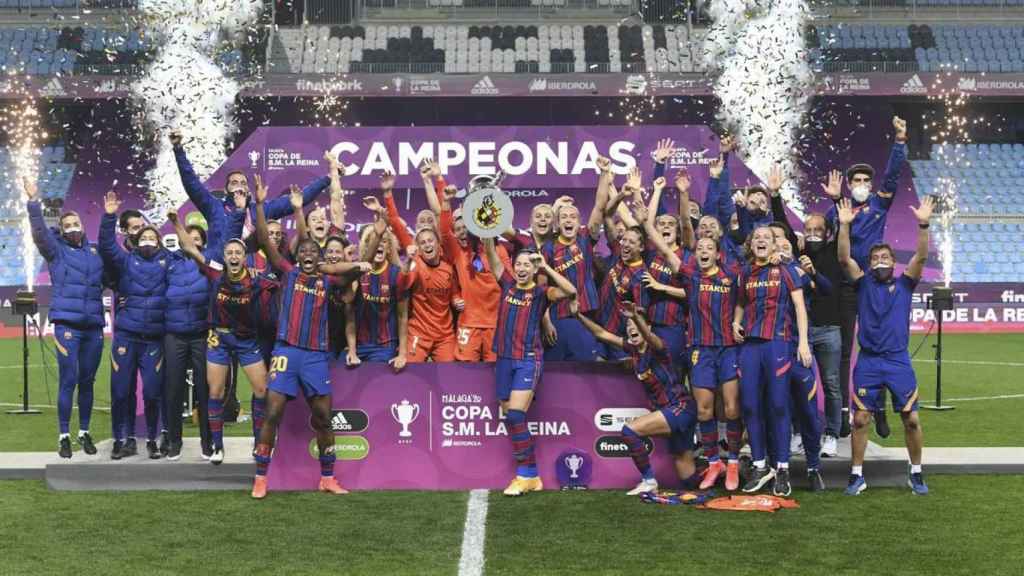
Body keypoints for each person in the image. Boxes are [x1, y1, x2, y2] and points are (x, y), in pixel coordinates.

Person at [250, 176, 369, 499]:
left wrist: (360, 261)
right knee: (272, 413)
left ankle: (327, 477)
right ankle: (261, 477)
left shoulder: (328, 283)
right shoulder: (287, 274)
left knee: (323, 418)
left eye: (312, 253)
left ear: (318, 259)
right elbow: (263, 239)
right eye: (301, 251)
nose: (306, 255)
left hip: (316, 355)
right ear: (296, 256)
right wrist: (260, 204)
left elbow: (351, 273)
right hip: (287, 351)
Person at [644, 200, 743, 492]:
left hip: (727, 349)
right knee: (703, 410)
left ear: (717, 253)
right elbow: (657, 241)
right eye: (699, 248)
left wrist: (737, 321)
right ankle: (714, 463)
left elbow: (742, 301)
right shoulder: (689, 274)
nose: (702, 252)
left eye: (708, 249)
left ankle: (734, 461)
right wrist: (655, 198)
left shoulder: (730, 275)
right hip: (700, 349)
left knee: (732, 408)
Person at [838, 196, 933, 496]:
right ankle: (856, 476)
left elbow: (921, 256)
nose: (880, 262)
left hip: (896, 361)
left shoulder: (905, 283)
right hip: (868, 361)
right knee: (860, 418)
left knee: (912, 418)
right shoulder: (863, 283)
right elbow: (844, 259)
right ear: (870, 264)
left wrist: (923, 223)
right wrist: (843, 226)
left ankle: (916, 472)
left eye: (885, 258)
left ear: (894, 262)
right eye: (875, 258)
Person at [825, 116, 909, 439]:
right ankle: (847, 410)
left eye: (865, 180)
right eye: (856, 180)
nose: (860, 184)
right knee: (846, 349)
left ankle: (882, 407)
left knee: (879, 346)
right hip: (848, 288)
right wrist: (835, 201)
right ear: (849, 185)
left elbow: (891, 177)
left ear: (870, 186)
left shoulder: (879, 205)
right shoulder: (837, 212)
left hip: (874, 286)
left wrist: (899, 142)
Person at [482, 237, 576, 496]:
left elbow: (570, 291)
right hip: (503, 358)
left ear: (534, 269)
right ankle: (532, 476)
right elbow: (490, 253)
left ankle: (525, 474)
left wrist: (546, 268)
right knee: (511, 418)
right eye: (518, 264)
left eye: (527, 264)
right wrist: (487, 234)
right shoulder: (507, 284)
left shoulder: (541, 293)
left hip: (527, 359)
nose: (522, 268)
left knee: (515, 415)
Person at [577, 301, 700, 495]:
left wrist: (634, 316)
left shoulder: (659, 348)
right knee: (687, 477)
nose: (631, 329)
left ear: (646, 326)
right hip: (669, 411)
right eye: (628, 328)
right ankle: (705, 483)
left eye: (635, 326)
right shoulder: (633, 351)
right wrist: (578, 315)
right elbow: (601, 334)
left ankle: (649, 481)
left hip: (680, 407)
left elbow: (650, 337)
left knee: (629, 431)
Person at [25, 178, 104, 458]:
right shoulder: (55, 250)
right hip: (67, 326)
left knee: (88, 380)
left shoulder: (96, 253)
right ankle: (64, 435)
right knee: (68, 380)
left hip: (94, 326)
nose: (72, 228)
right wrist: (34, 203)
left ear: (83, 226)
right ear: (62, 228)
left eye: (76, 224)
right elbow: (39, 233)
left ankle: (84, 431)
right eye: (67, 225)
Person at [733, 226, 812, 496]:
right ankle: (759, 465)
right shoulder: (744, 272)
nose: (761, 241)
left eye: (766, 238)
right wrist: (735, 321)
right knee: (750, 405)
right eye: (757, 238)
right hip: (750, 346)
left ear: (774, 243)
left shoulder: (786, 270)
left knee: (779, 405)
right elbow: (741, 302)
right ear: (751, 244)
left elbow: (800, 307)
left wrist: (802, 342)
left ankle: (782, 468)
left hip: (779, 342)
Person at [772, 169, 844, 457]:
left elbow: (828, 290)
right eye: (808, 230)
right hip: (801, 332)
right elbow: (786, 230)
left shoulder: (833, 254)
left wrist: (838, 201)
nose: (812, 234)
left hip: (829, 329)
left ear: (827, 233)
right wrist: (775, 195)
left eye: (818, 230)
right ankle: (801, 432)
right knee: (800, 384)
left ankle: (831, 434)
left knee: (831, 384)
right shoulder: (796, 250)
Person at [98, 191, 168, 460]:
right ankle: (122, 440)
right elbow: (106, 246)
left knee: (152, 393)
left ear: (159, 241)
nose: (147, 240)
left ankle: (152, 438)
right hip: (126, 337)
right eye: (143, 237)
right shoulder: (126, 260)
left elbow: (193, 260)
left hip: (153, 339)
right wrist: (108, 215)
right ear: (134, 240)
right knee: (120, 392)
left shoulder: (168, 262)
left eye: (152, 236)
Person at [540, 157, 610, 361]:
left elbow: (599, 206)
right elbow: (541, 289)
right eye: (564, 217)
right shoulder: (549, 248)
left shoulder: (585, 239)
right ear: (557, 223)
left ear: (579, 222)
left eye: (573, 217)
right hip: (558, 318)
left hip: (585, 315)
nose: (568, 219)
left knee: (587, 371)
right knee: (557, 375)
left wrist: (604, 173)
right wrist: (546, 321)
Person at [779, 237, 831, 492]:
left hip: (799, 349)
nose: (780, 248)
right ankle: (780, 468)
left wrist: (811, 271)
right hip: (773, 350)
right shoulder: (759, 274)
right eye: (775, 243)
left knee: (809, 413)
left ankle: (813, 468)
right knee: (777, 412)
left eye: (785, 245)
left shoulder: (798, 272)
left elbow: (826, 288)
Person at [639, 174, 693, 362]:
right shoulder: (652, 252)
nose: (666, 226)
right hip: (649, 323)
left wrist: (660, 287)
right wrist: (658, 190)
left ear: (677, 232)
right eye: (661, 224)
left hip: (674, 326)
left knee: (674, 374)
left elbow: (692, 291)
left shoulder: (686, 255)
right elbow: (647, 224)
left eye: (671, 224)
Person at [353, 194, 408, 371]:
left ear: (389, 246)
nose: (379, 245)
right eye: (373, 242)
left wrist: (402, 353)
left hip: (385, 346)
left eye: (384, 241)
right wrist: (352, 349)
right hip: (360, 345)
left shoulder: (396, 274)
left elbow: (402, 316)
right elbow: (349, 314)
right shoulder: (356, 273)